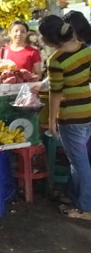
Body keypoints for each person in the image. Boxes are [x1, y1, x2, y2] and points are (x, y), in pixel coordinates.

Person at [38, 15, 91, 220]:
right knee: (80, 160)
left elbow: (56, 93)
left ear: (50, 40)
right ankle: (75, 196)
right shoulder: (86, 49)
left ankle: (85, 208)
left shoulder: (56, 60)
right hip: (88, 110)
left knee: (79, 163)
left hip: (71, 117)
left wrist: (52, 122)